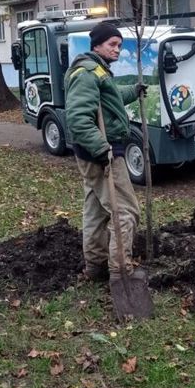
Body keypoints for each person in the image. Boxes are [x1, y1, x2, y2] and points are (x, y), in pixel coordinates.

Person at [65, 22, 146, 282]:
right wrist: (102, 149)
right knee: (126, 212)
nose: (117, 49)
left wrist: (133, 91)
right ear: (97, 44)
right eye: (112, 44)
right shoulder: (87, 73)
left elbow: (108, 98)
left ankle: (95, 266)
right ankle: (121, 271)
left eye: (120, 45)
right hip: (102, 154)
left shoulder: (98, 70)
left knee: (96, 211)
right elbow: (78, 119)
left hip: (95, 153)